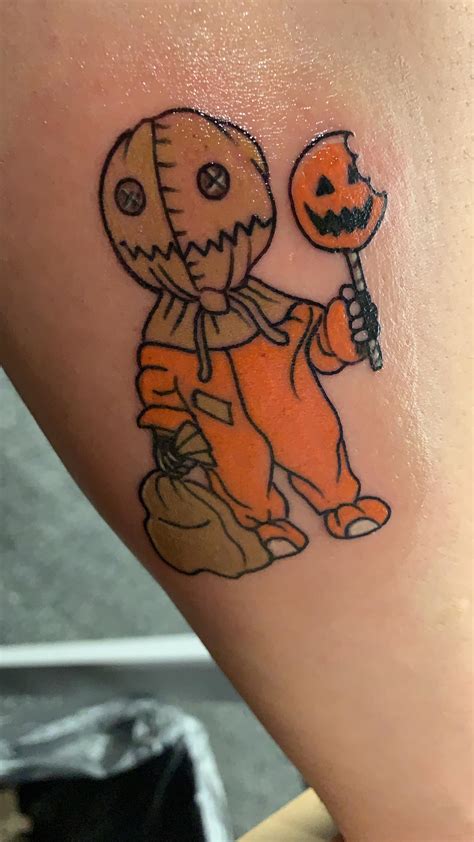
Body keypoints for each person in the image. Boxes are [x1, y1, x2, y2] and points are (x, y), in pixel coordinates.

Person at [1, 2, 472, 839]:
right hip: (221, 416)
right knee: (247, 477)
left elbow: (308, 332)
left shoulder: (263, 295)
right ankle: (266, 521)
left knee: (317, 450)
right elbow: (157, 369)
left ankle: (333, 504)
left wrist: (342, 334)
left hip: (287, 392)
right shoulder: (171, 324)